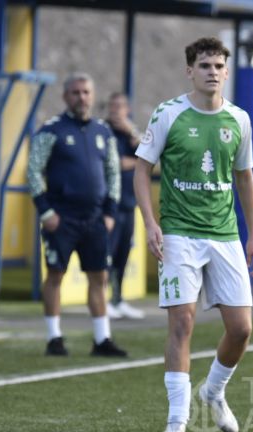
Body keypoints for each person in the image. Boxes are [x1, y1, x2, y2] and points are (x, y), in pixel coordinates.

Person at [133, 37, 253, 432]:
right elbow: (141, 170)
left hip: (224, 234)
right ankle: (177, 418)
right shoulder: (168, 113)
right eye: (204, 65)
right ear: (190, 71)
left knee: (241, 329)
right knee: (182, 322)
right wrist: (150, 223)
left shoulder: (239, 119)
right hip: (178, 233)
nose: (212, 72)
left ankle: (214, 390)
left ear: (227, 72)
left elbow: (245, 178)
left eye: (218, 66)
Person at [27, 72, 128, 358]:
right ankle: (54, 338)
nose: (81, 98)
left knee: (99, 277)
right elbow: (33, 170)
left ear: (92, 96)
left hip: (95, 219)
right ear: (65, 96)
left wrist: (110, 212)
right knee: (55, 275)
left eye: (86, 92)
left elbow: (113, 172)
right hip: (61, 218)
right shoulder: (51, 130)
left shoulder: (103, 132)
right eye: (75, 93)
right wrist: (45, 211)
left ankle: (102, 339)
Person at [105, 92, 146, 320]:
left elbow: (151, 156)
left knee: (123, 253)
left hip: (129, 203)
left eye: (120, 106)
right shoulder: (104, 131)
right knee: (107, 253)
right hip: (109, 204)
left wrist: (132, 132)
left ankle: (118, 299)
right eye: (112, 106)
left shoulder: (131, 133)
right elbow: (117, 163)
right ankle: (103, 300)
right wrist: (138, 161)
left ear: (127, 109)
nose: (116, 110)